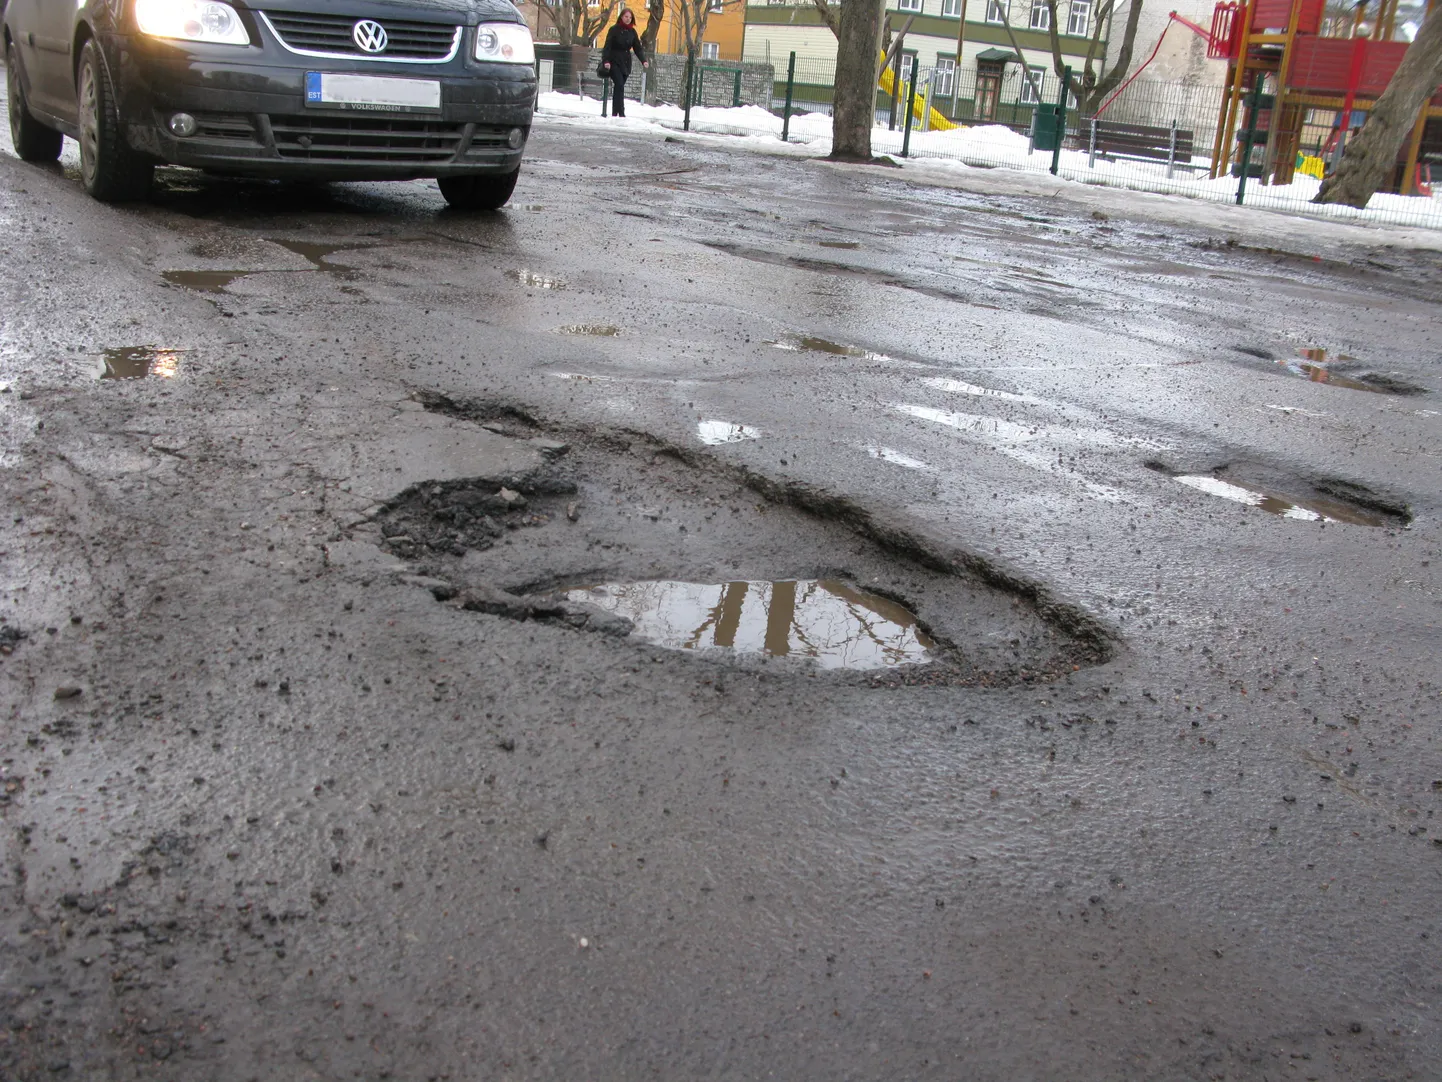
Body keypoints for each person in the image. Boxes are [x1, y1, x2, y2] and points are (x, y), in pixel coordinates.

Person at [600, 9, 647, 118]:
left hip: (626, 63)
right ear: (621, 17)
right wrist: (606, 61)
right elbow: (607, 47)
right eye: (626, 17)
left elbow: (638, 48)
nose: (628, 19)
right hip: (614, 61)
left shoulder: (632, 32)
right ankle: (621, 112)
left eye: (630, 17)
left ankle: (615, 112)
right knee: (620, 85)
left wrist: (643, 60)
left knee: (619, 87)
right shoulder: (614, 30)